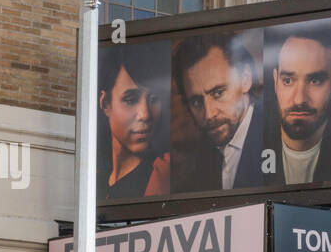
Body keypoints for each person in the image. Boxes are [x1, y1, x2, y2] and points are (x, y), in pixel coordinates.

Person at [172, 34, 267, 191]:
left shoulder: (277, 138)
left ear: (245, 79)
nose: (209, 114)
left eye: (218, 93)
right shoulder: (200, 159)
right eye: (196, 101)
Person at [265, 25, 331, 185]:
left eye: (315, 81)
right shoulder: (254, 146)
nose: (299, 99)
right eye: (288, 81)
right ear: (275, 81)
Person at [96, 43, 171, 201]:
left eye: (154, 99)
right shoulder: (94, 181)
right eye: (131, 100)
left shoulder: (162, 177)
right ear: (105, 103)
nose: (145, 114)